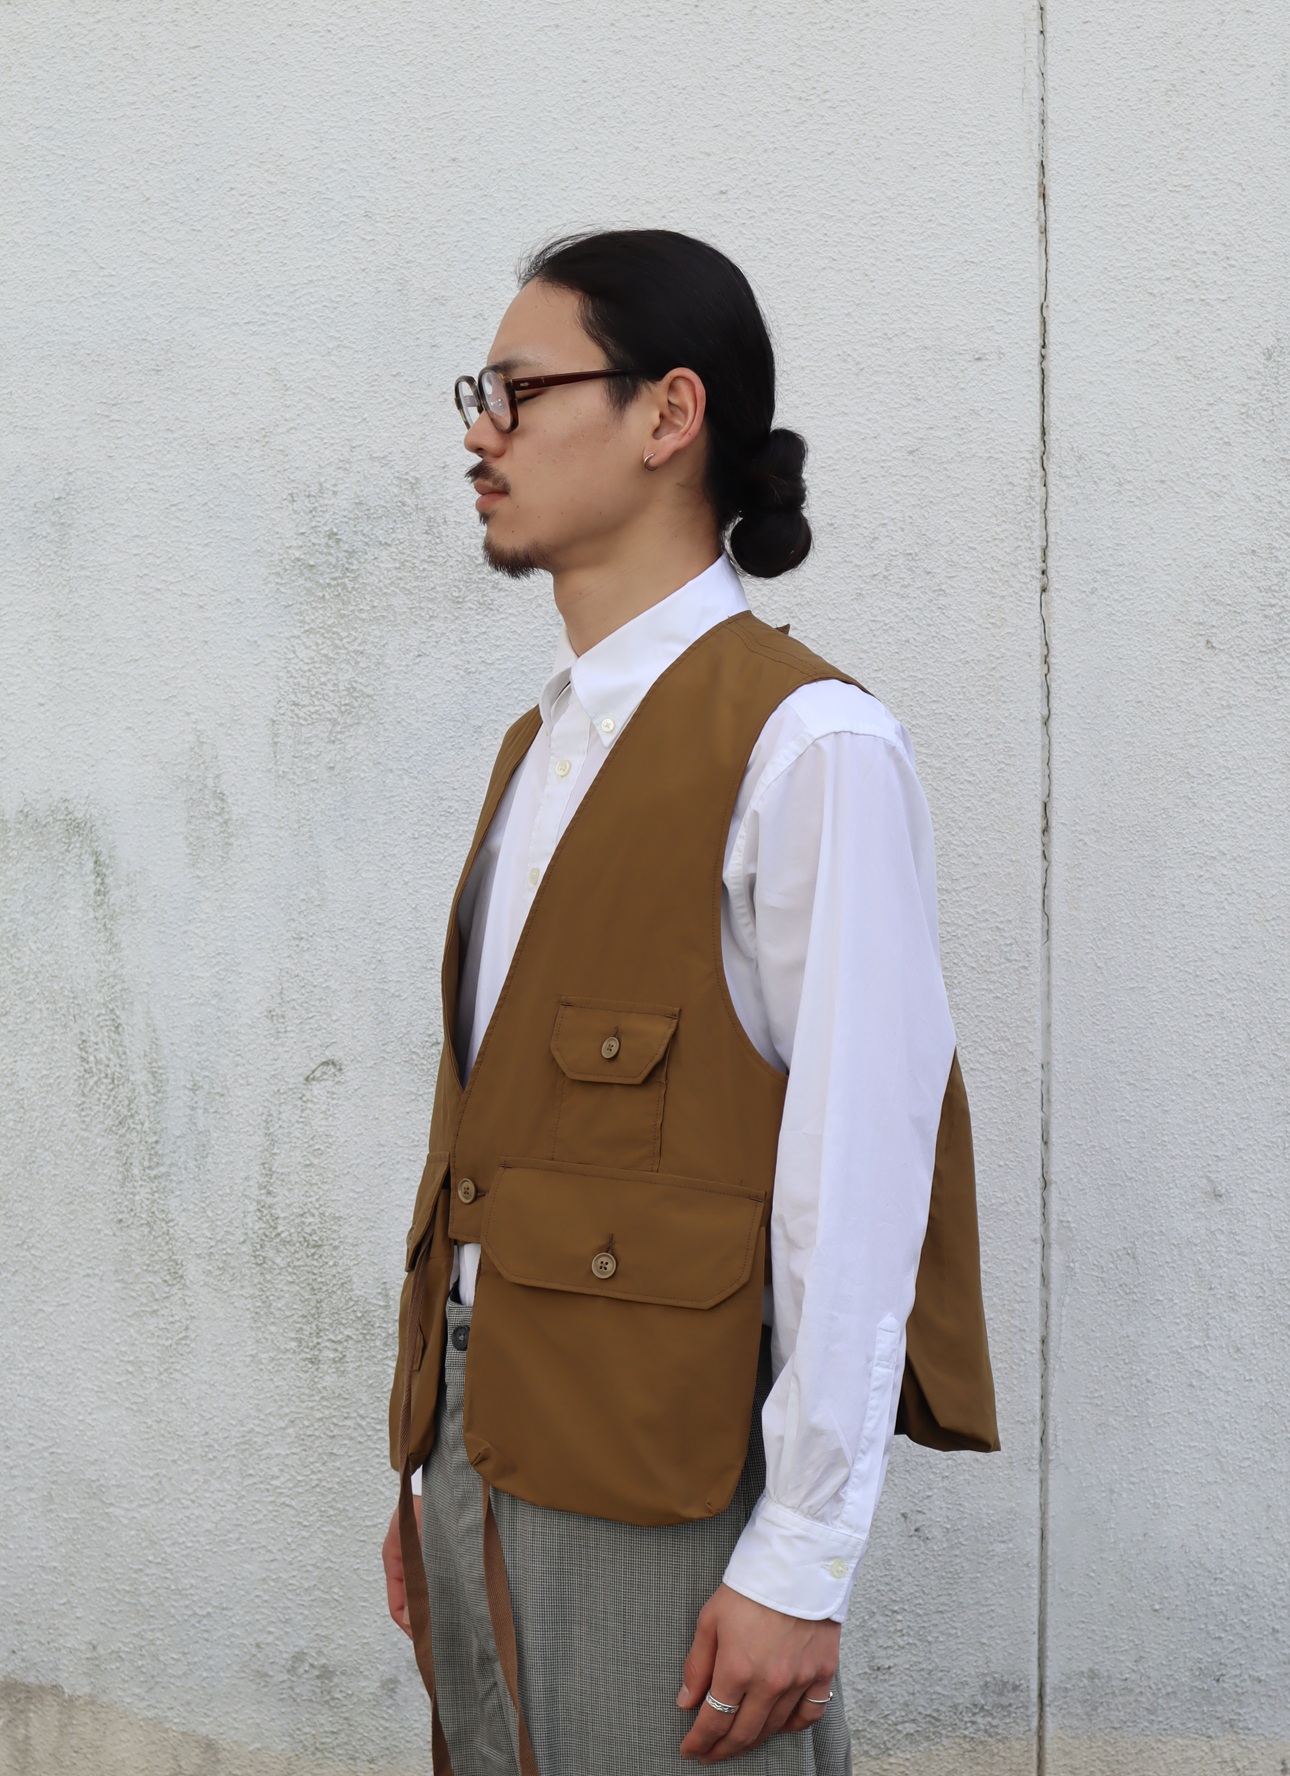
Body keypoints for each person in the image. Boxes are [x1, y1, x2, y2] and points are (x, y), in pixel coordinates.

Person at [381, 229, 997, 1776]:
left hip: (664, 1481)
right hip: (485, 1457)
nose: (480, 433)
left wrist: (800, 1561)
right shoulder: (540, 750)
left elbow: (862, 1172)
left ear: (668, 414)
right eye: (478, 395)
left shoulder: (810, 747)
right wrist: (435, 1480)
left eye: (519, 391)